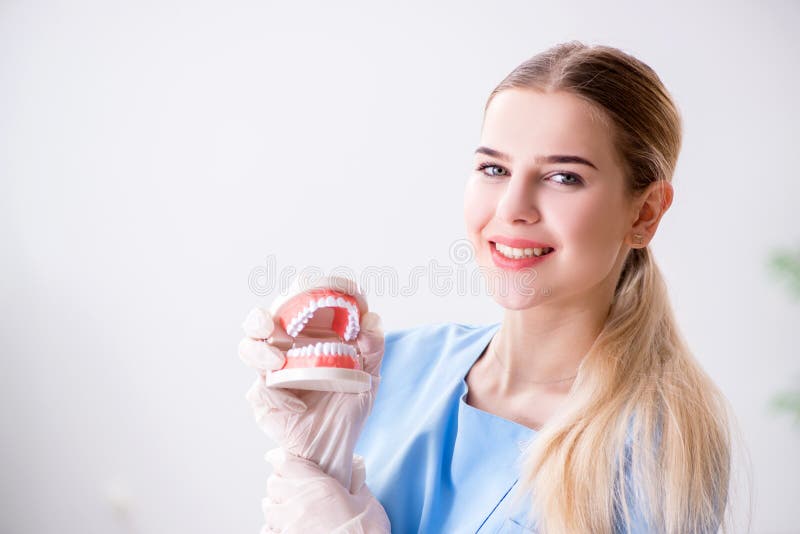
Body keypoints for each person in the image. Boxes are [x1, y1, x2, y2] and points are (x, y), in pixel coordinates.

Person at [239, 41, 733, 533]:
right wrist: (316, 455)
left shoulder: (658, 451)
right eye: (494, 169)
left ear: (644, 213)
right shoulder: (392, 368)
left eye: (563, 177)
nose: (513, 207)